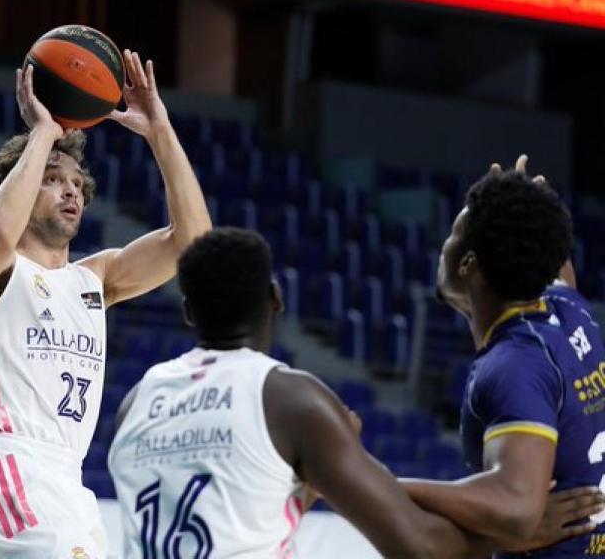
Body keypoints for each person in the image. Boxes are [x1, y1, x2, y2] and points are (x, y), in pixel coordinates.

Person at [108, 227, 604, 558]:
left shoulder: (135, 403)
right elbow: (420, 548)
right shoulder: (290, 399)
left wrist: (307, 481)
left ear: (189, 313)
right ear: (277, 298)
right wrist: (509, 536)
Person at [0, 47, 211, 559]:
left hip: (66, 480)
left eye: (77, 185)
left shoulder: (94, 279)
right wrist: (43, 133)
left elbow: (194, 242)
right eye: (51, 179)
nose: (71, 192)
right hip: (5, 463)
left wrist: (160, 132)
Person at [398, 156, 605, 557]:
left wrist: (381, 484)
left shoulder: (516, 364)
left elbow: (516, 508)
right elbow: (548, 251)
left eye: (454, 232)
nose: (447, 241)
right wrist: (527, 201)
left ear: (468, 263)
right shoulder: (567, 304)